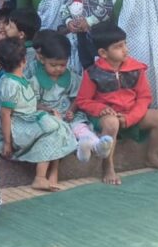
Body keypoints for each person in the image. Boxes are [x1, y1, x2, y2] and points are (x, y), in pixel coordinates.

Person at [76, 22, 158, 185]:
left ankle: (152, 156)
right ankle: (108, 166)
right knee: (112, 123)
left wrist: (130, 118)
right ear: (103, 53)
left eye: (125, 44)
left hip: (131, 114)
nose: (125, 50)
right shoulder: (92, 73)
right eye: (118, 47)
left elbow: (144, 98)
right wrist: (102, 109)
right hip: (106, 117)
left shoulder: (136, 69)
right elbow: (83, 100)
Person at [0, 37, 76, 191]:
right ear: (24, 61)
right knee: (53, 129)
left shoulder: (19, 79)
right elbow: (5, 114)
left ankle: (52, 173)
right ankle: (40, 177)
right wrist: (7, 142)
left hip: (27, 120)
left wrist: (47, 109)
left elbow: (29, 103)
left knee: (58, 125)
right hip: (18, 127)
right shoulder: (10, 84)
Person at [32, 30, 111, 163]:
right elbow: (32, 102)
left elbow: (77, 97)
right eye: (53, 65)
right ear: (42, 59)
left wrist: (72, 110)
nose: (58, 68)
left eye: (62, 65)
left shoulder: (71, 77)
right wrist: (47, 110)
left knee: (79, 127)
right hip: (49, 116)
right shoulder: (36, 80)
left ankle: (95, 144)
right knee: (58, 131)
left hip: (68, 114)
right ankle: (80, 148)